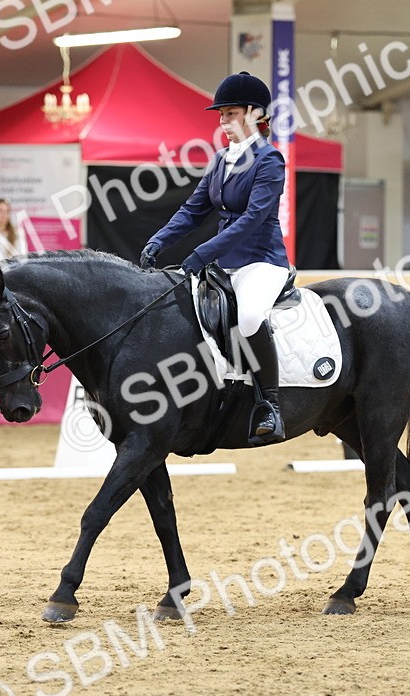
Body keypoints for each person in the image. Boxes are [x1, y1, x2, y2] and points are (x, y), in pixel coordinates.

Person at [139, 71, 289, 446]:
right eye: (221, 115)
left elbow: (254, 219)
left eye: (231, 114)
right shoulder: (221, 160)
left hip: (261, 259)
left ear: (255, 115)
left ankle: (269, 405)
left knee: (251, 316)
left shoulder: (270, 160)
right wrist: (157, 242)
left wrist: (202, 253)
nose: (223, 122)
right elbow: (193, 210)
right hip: (223, 260)